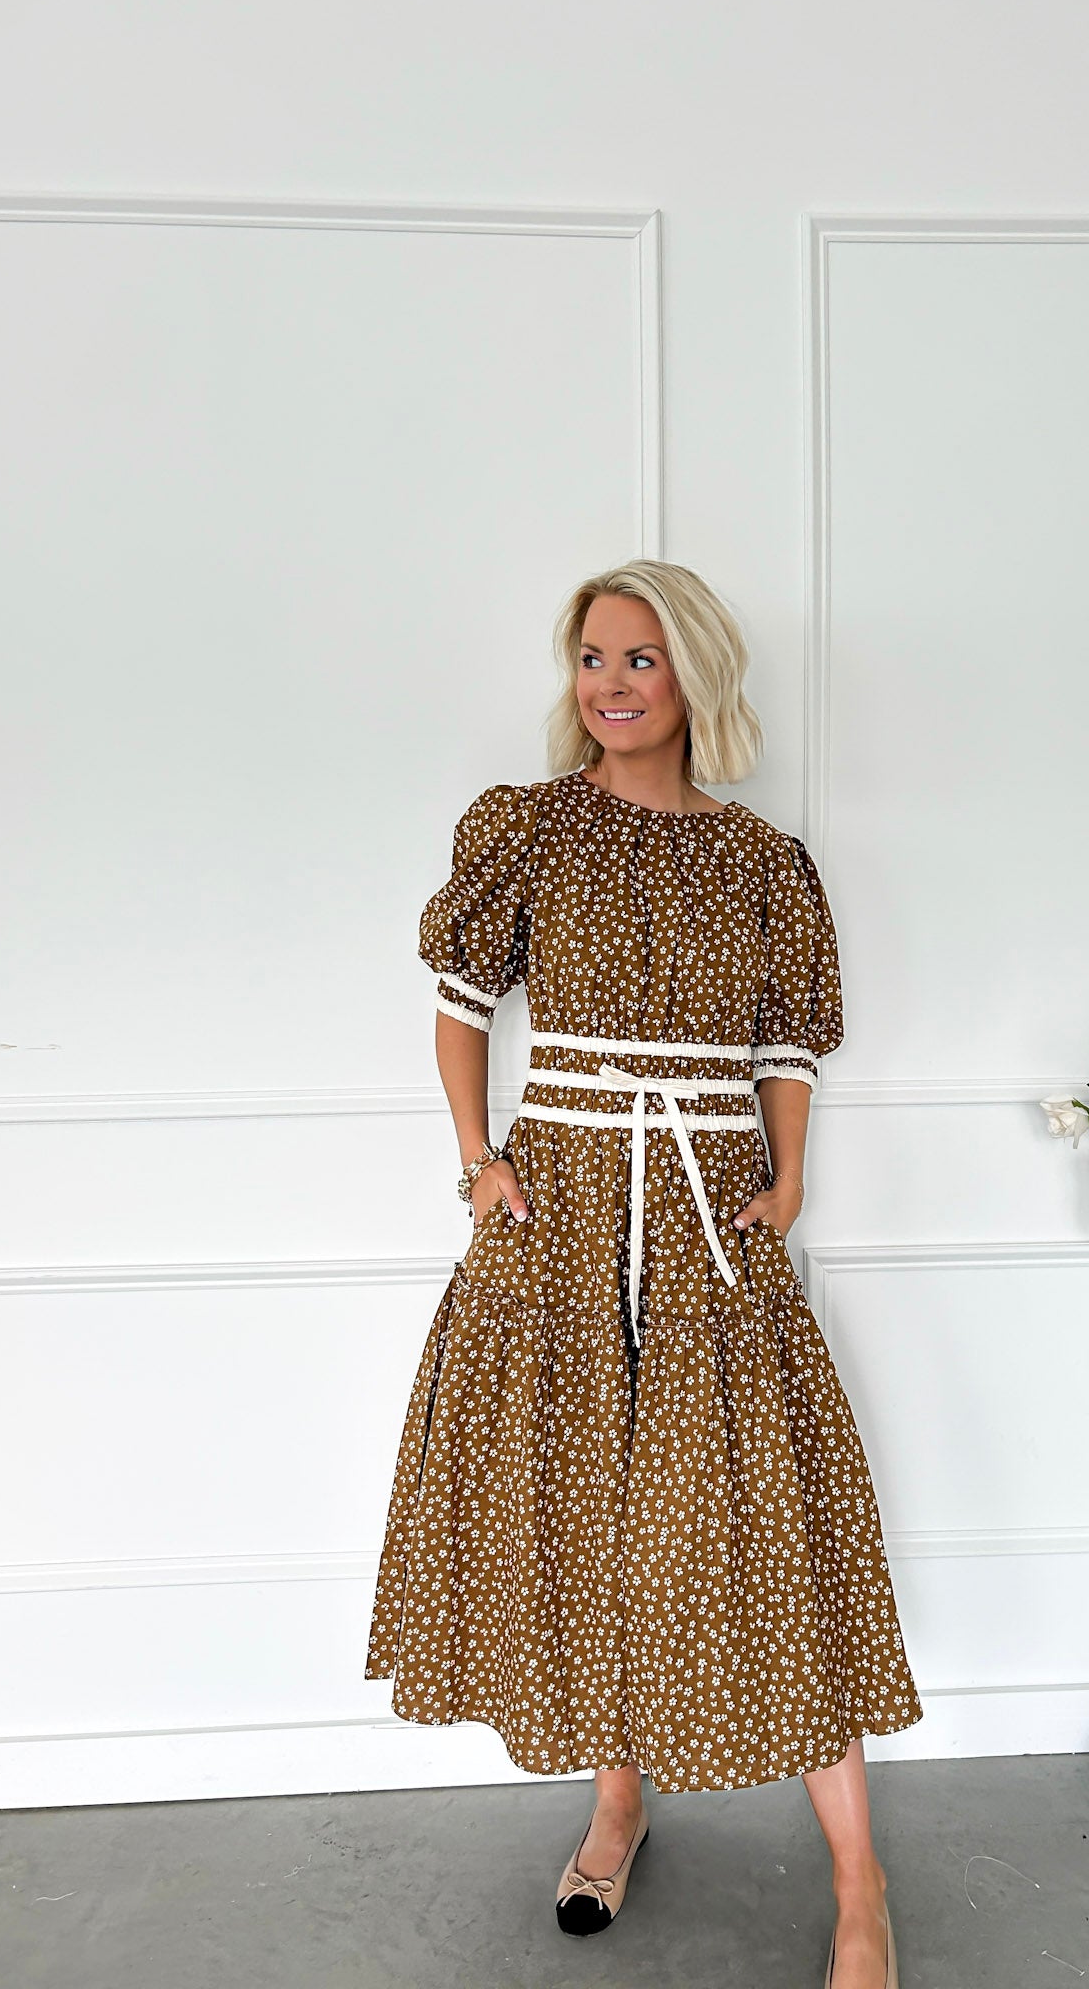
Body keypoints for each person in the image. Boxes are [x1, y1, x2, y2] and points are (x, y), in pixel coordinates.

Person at [364, 559, 921, 1988]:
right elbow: (461, 1004)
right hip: (557, 1211)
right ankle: (618, 1807)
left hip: (707, 1219)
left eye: (641, 659)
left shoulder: (764, 861)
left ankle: (859, 1884)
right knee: (585, 1519)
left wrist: (789, 1177)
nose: (610, 685)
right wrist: (479, 1160)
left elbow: (785, 1043)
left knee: (766, 1534)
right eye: (593, 659)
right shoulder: (529, 827)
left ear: (696, 677)